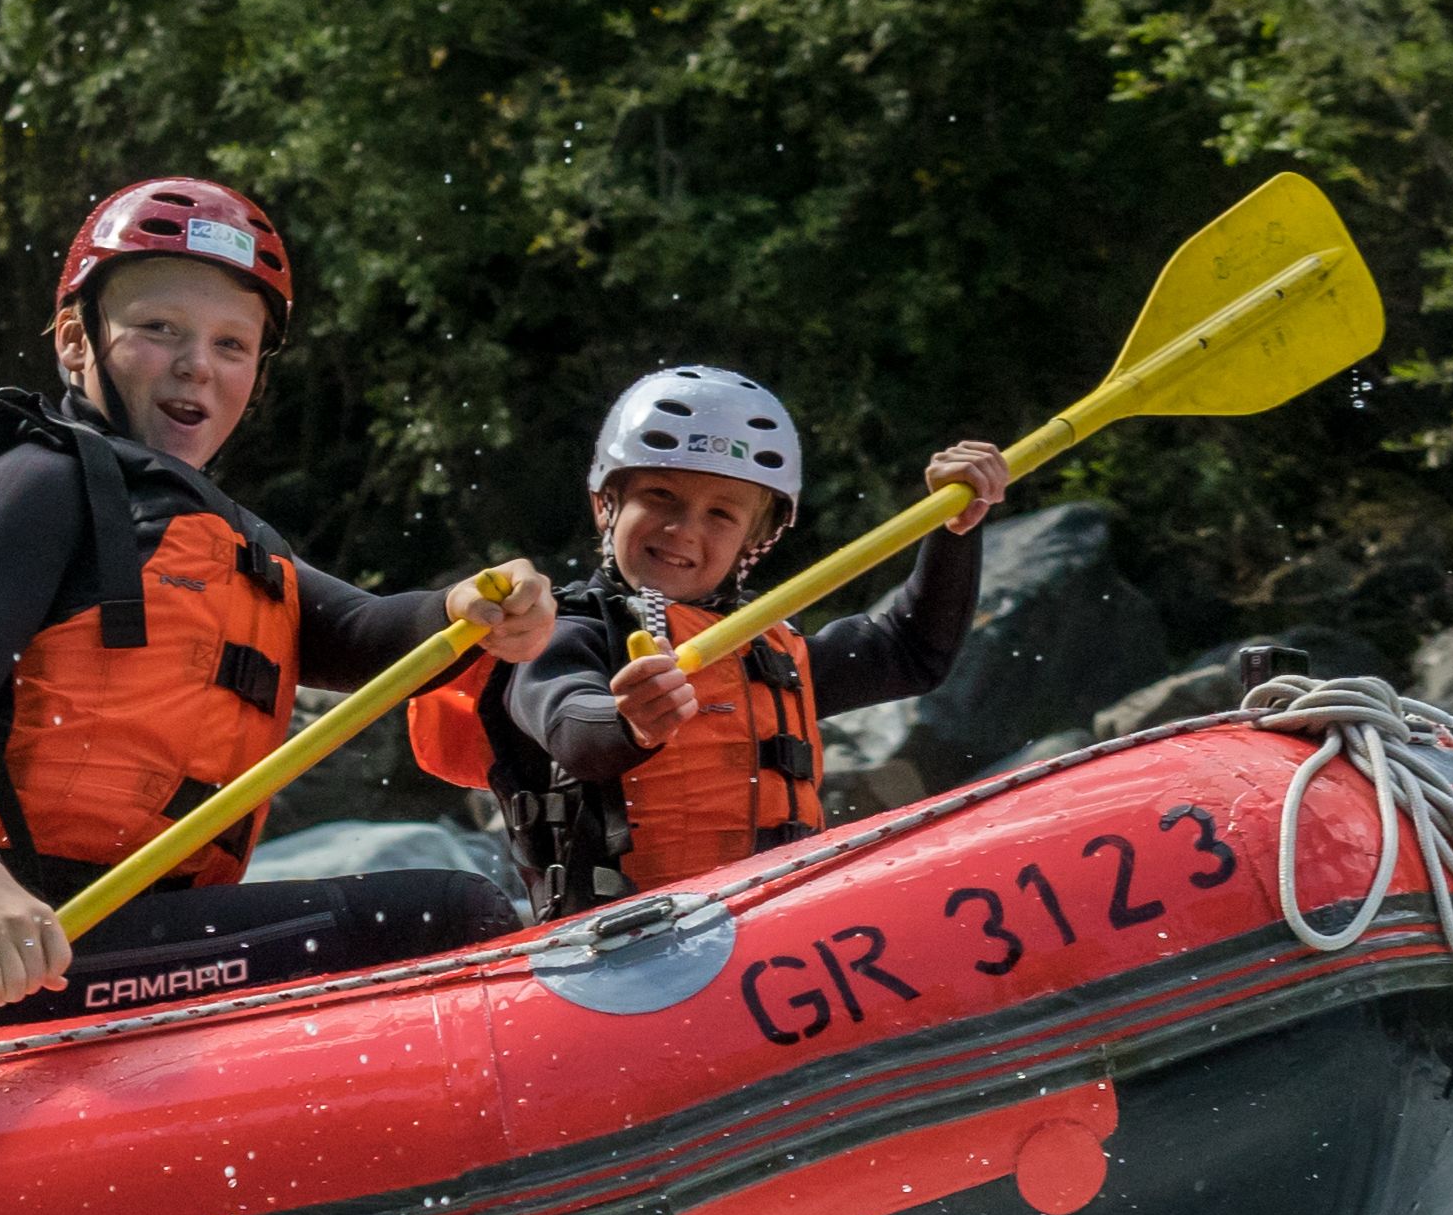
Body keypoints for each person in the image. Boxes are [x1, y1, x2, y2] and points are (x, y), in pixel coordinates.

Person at [0, 174, 560, 1022]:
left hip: (123, 923)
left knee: (449, 906)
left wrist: (468, 606)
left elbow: (361, 633)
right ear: (75, 341)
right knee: (452, 913)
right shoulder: (31, 482)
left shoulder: (229, 540)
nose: (195, 367)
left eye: (230, 345)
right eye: (158, 330)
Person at [413, 365, 1008, 905]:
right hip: (622, 946)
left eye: (721, 514)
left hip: (774, 918)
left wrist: (952, 529)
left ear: (757, 537)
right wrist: (630, 721)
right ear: (606, 504)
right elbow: (570, 724)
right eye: (660, 496)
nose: (682, 530)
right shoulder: (563, 630)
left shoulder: (767, 649)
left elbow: (912, 653)